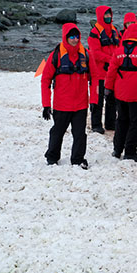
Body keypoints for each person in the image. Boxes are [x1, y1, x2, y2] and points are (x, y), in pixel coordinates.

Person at [41, 23, 97, 169]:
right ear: (65, 37)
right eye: (71, 36)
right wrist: (46, 105)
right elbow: (45, 79)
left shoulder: (86, 54)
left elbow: (95, 78)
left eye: (77, 36)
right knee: (57, 132)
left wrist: (94, 100)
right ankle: (52, 158)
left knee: (80, 134)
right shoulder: (56, 55)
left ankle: (78, 159)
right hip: (61, 104)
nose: (74, 39)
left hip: (81, 104)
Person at [105, 23, 137, 163]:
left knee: (121, 120)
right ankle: (130, 151)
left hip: (120, 93)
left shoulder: (118, 51)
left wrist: (108, 90)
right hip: (136, 94)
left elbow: (111, 73)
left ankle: (117, 149)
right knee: (136, 122)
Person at [89, 5, 120, 134]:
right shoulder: (94, 33)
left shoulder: (115, 31)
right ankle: (96, 124)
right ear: (100, 16)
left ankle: (110, 123)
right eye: (105, 15)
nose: (108, 17)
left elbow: (119, 46)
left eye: (109, 15)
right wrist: (111, 59)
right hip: (99, 72)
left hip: (112, 71)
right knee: (98, 98)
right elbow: (95, 53)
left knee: (111, 99)